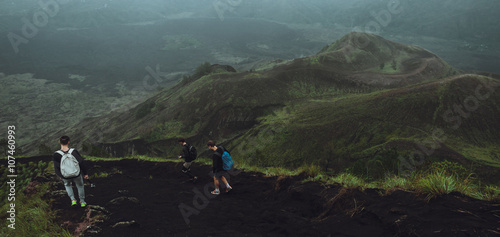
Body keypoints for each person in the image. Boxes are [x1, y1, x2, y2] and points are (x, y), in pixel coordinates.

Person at [53, 136, 89, 207]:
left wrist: (61, 176)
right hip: (76, 174)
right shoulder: (74, 151)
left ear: (59, 142)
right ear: (68, 142)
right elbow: (81, 162)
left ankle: (73, 200)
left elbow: (56, 167)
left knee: (68, 185)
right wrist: (85, 173)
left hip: (65, 176)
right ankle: (82, 202)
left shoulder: (56, 154)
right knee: (80, 186)